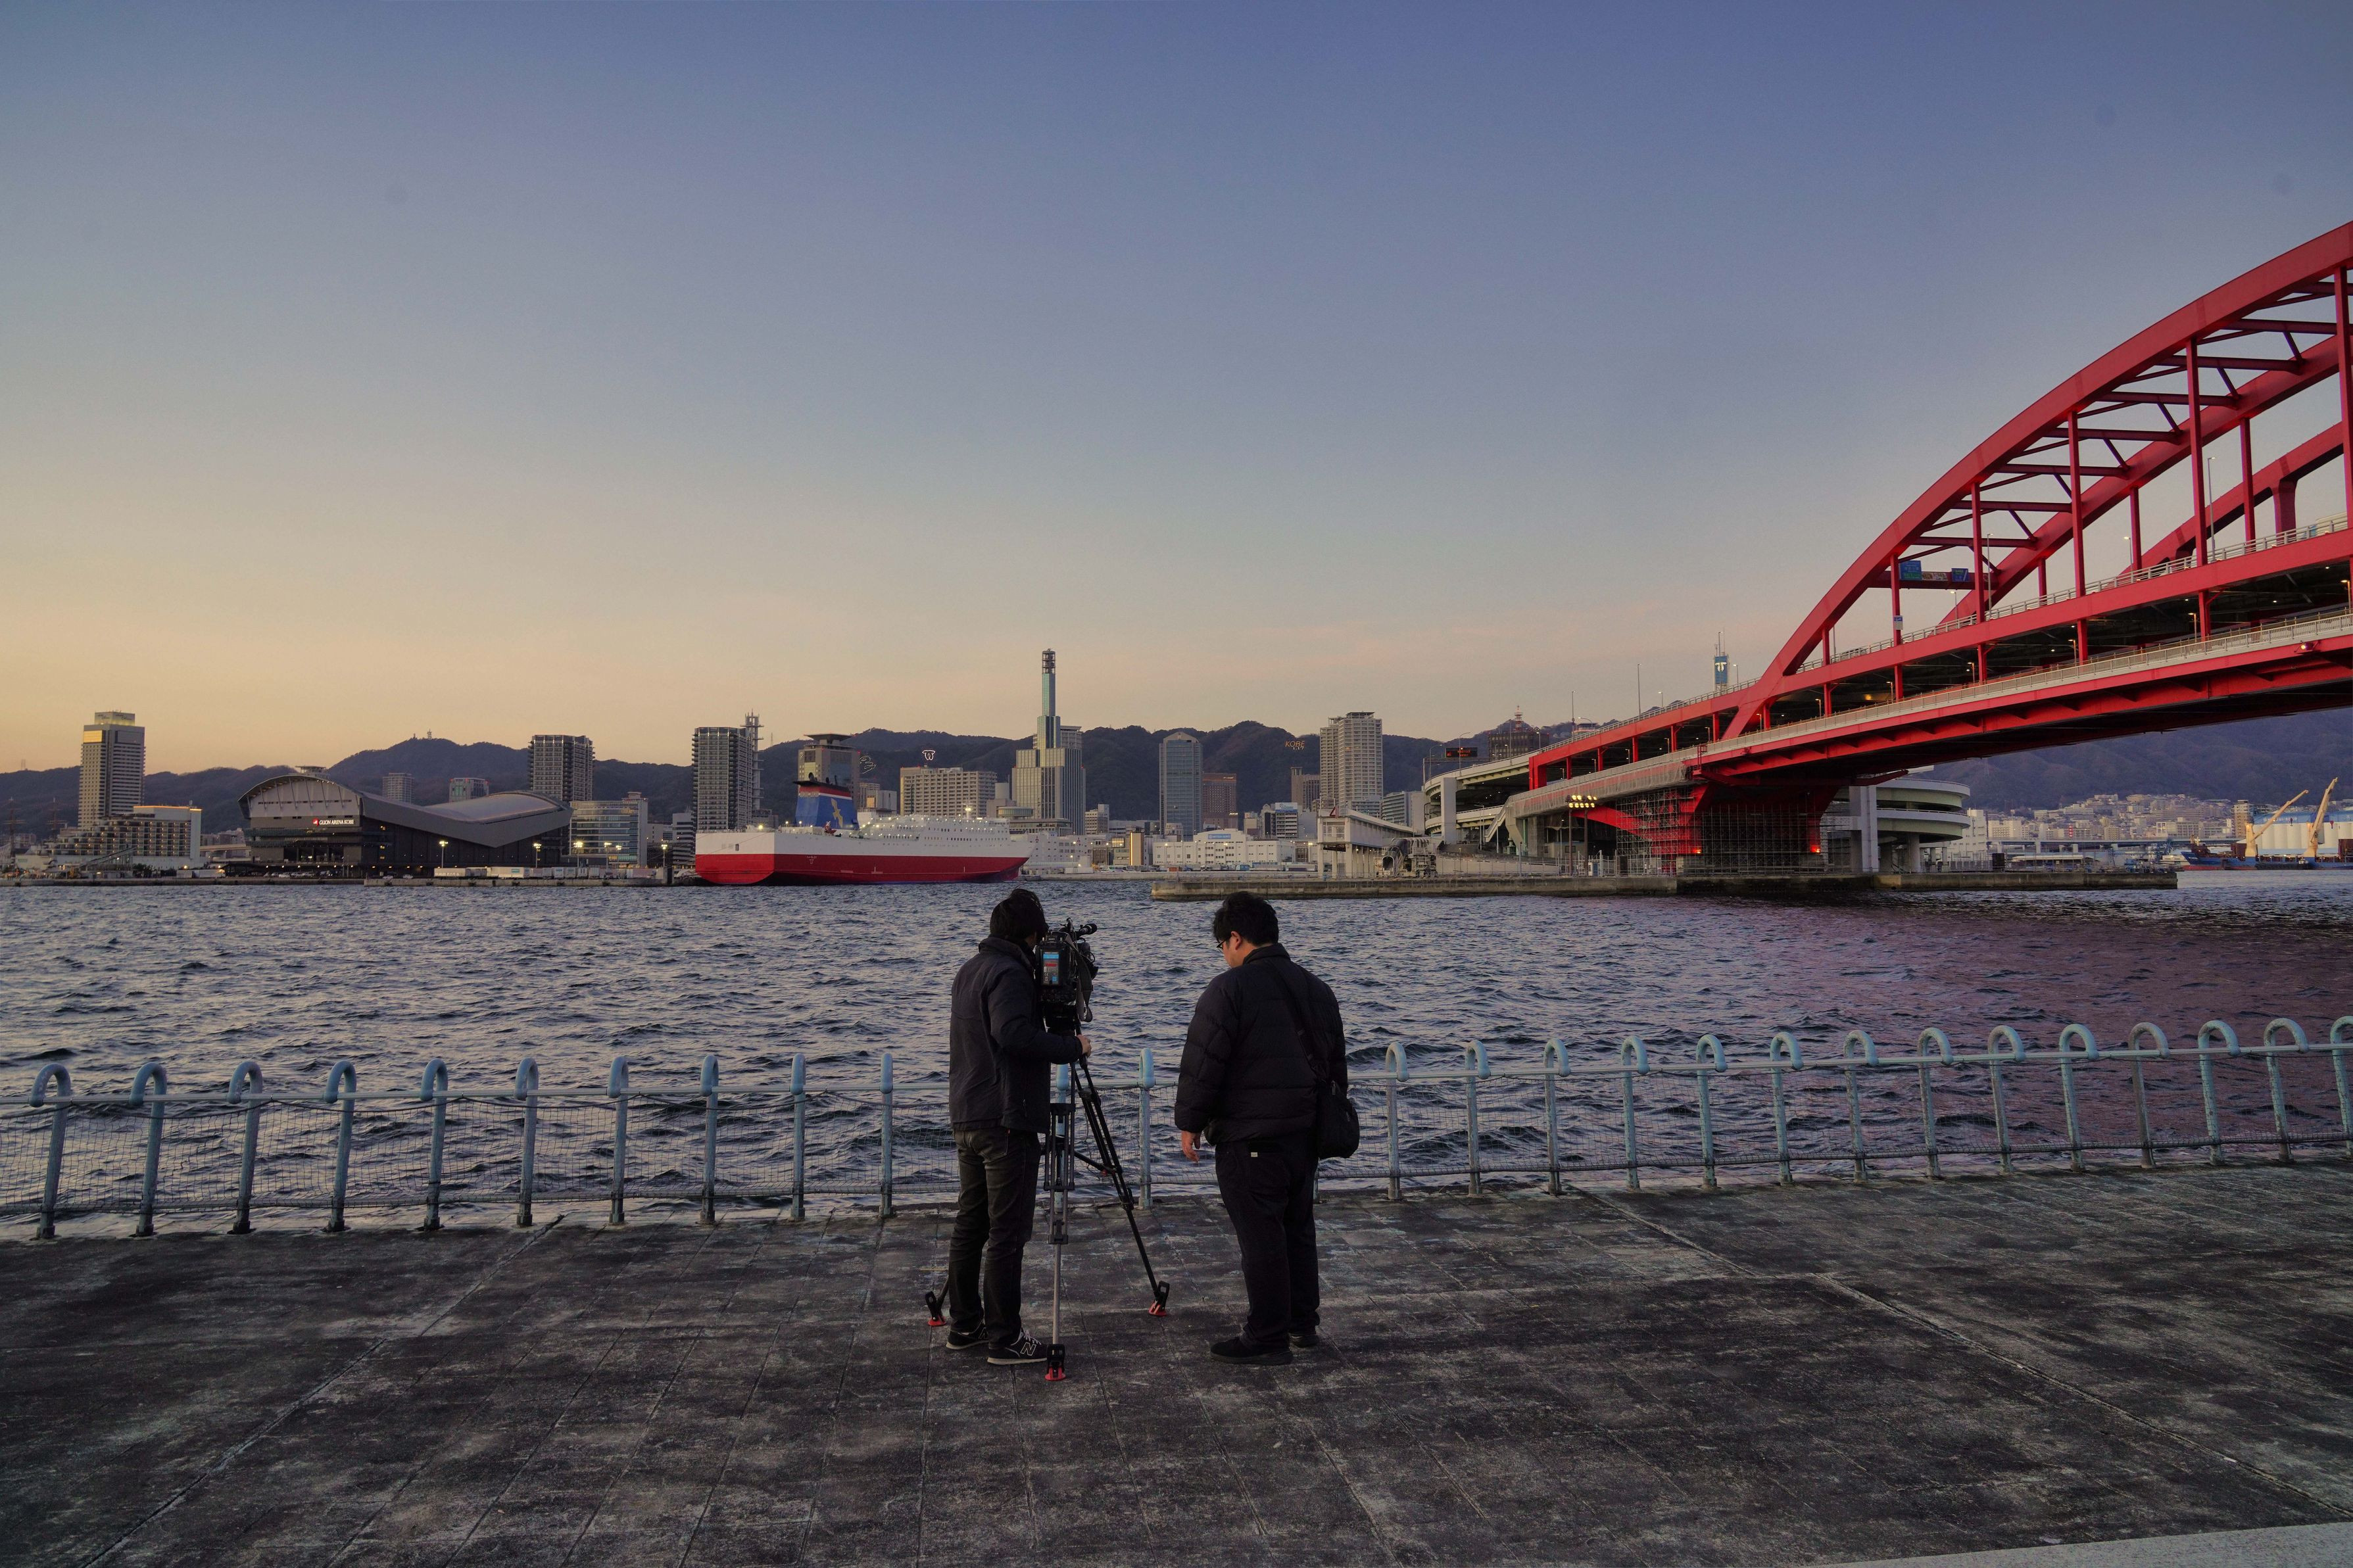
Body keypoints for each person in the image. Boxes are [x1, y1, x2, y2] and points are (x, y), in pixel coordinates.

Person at [1174, 891, 1347, 1366]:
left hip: (1250, 1138)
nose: (1223, 954)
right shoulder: (1317, 988)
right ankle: (1301, 1323)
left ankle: (1266, 1336)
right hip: (1304, 1136)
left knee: (1261, 1237)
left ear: (1235, 938)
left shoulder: (1228, 990)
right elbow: (1336, 1068)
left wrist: (1189, 1122)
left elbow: (1203, 1063)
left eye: (1221, 945)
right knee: (1297, 1229)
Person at [944, 888, 1089, 1365]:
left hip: (969, 1111)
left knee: (972, 1223)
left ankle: (966, 1324)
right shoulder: (1010, 973)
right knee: (1007, 1233)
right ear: (1030, 935)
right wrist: (1072, 1047)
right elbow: (1012, 1034)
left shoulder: (971, 969)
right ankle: (1005, 1337)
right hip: (1006, 1117)